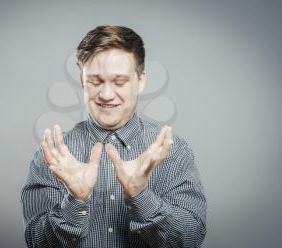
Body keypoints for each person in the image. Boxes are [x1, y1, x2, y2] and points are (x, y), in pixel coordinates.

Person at [21, 25, 207, 248]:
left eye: (119, 82)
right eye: (95, 81)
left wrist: (141, 195)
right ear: (82, 80)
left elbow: (190, 239)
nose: (107, 95)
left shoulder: (174, 151)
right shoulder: (52, 157)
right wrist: (75, 200)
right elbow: (36, 243)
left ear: (141, 81)